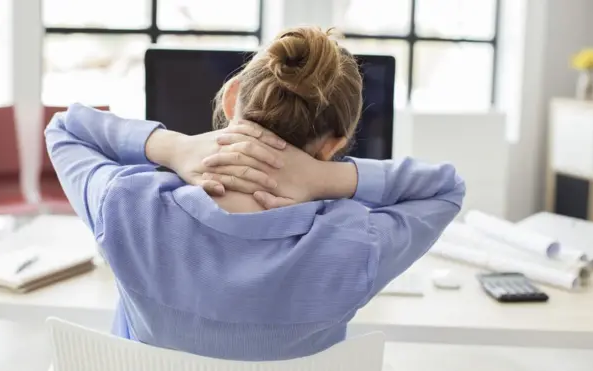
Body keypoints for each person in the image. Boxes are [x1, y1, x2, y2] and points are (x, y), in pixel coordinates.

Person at [45, 27, 465, 361]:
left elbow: (66, 129)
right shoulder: (355, 244)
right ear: (334, 143)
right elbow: (445, 188)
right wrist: (327, 177)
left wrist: (174, 146)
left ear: (231, 101)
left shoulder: (128, 204)